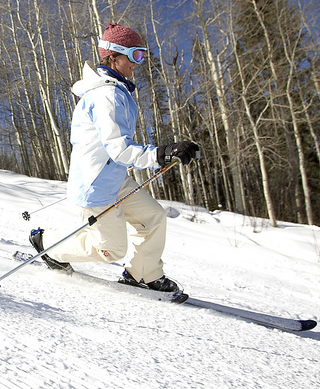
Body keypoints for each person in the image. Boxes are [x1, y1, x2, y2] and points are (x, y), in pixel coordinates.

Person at [29, 24, 199, 293]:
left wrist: (163, 153)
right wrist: (161, 153)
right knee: (111, 249)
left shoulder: (116, 91)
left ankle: (143, 274)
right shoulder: (106, 95)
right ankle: (48, 245)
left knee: (153, 217)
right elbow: (119, 149)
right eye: (135, 56)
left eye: (141, 55)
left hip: (114, 178)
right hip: (96, 184)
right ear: (113, 57)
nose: (137, 63)